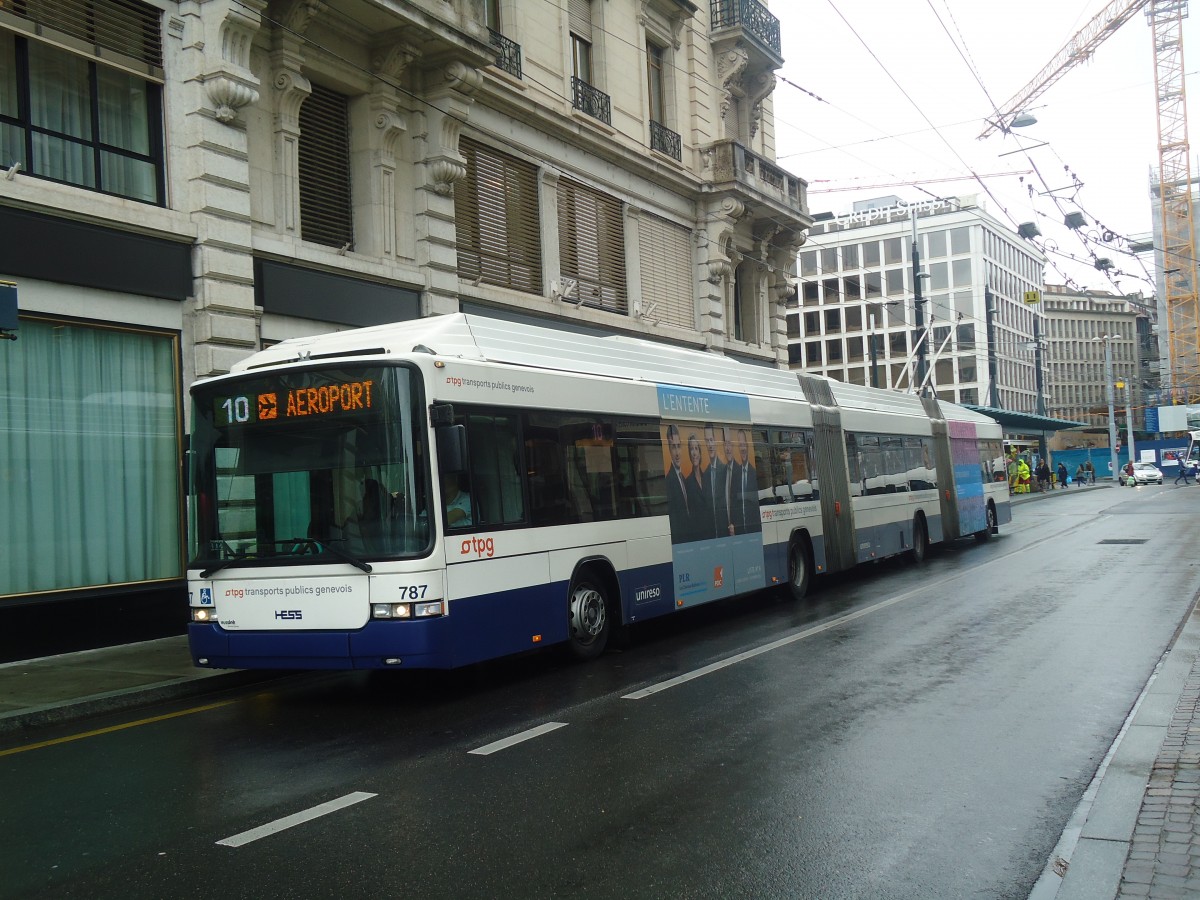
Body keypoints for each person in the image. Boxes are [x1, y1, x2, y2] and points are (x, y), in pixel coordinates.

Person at [702, 423, 730, 540]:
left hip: (726, 529)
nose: (710, 445)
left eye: (711, 440)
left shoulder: (725, 469)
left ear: (716, 442)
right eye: (707, 441)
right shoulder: (705, 474)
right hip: (711, 532)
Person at [664, 424, 690, 542]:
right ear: (669, 449)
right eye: (673, 447)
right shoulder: (668, 481)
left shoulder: (685, 479)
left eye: (679, 446)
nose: (677, 453)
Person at [684, 433, 707, 541]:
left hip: (713, 534)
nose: (694, 453)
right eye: (691, 449)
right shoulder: (687, 482)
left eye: (696, 448)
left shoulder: (708, 478)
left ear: (700, 453)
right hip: (697, 536)